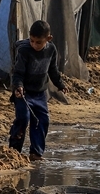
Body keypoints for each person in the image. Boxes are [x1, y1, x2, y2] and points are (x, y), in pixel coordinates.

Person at [9, 20, 65, 161]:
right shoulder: (24, 51)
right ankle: (13, 152)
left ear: (48, 39)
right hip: (23, 93)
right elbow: (18, 73)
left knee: (42, 120)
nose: (34, 45)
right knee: (23, 118)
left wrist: (60, 84)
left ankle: (36, 153)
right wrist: (18, 87)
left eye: (38, 42)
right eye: (32, 41)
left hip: (40, 93)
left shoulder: (51, 50)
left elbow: (53, 70)